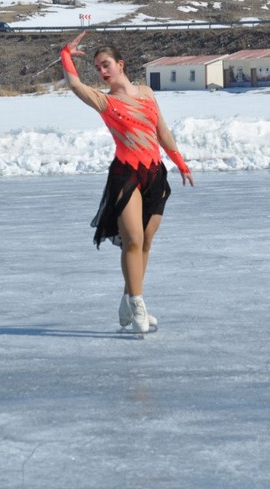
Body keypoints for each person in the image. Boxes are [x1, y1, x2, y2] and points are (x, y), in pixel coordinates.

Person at [60, 31, 194, 333]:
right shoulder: (105, 102)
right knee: (132, 240)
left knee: (146, 240)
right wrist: (66, 54)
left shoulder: (146, 93)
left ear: (121, 64)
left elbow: (162, 130)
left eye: (106, 64)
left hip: (154, 173)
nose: (102, 71)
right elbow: (75, 84)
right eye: (97, 68)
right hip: (126, 175)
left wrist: (180, 163)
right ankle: (138, 305)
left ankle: (128, 297)